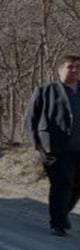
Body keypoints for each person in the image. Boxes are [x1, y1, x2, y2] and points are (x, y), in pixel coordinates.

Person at [25, 55, 80, 237]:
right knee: (61, 184)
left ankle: (62, 214)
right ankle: (57, 223)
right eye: (70, 67)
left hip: (78, 149)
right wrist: (39, 147)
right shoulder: (45, 91)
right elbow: (30, 120)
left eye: (78, 67)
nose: (74, 70)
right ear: (60, 70)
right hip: (55, 149)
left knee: (75, 186)